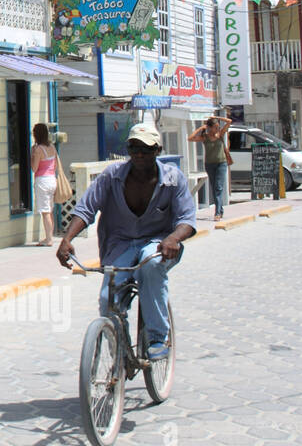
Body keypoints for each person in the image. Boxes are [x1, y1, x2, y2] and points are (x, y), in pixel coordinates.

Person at [54, 123, 196, 360]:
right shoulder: (112, 176)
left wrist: (173, 238)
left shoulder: (173, 179)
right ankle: (118, 348)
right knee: (107, 299)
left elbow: (187, 220)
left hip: (158, 242)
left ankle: (157, 337)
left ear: (157, 150)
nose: (139, 154)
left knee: (150, 267)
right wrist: (67, 239)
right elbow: (86, 209)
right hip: (120, 243)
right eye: (134, 148)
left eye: (146, 149)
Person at [188, 113, 232, 221]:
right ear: (210, 128)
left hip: (221, 164)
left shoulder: (220, 135)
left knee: (218, 187)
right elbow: (190, 138)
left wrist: (216, 118)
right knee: (215, 187)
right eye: (215, 127)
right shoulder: (205, 137)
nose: (217, 128)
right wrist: (200, 128)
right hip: (209, 164)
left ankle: (217, 213)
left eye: (218, 127)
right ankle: (220, 210)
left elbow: (229, 121)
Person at [29, 123, 59, 246]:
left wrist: (32, 156)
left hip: (42, 181)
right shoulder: (52, 147)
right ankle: (49, 236)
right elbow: (55, 165)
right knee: (50, 210)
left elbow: (34, 168)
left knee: (45, 212)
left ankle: (48, 239)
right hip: (52, 179)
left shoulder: (37, 149)